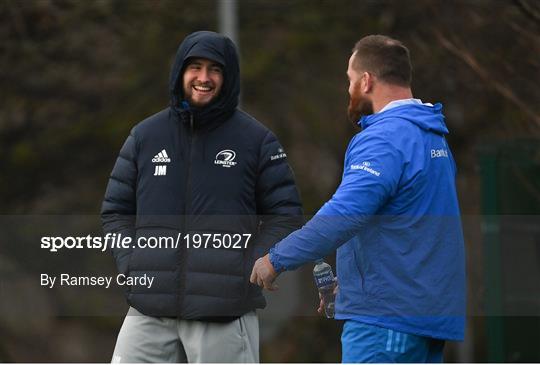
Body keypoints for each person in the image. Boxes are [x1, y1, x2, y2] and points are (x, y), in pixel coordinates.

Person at [250, 34, 466, 363]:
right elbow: (412, 230)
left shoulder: (384, 139)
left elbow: (345, 214)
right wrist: (352, 286)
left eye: (350, 80)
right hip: (423, 318)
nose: (348, 89)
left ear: (366, 81)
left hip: (386, 322)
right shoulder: (430, 135)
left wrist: (276, 259)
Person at [101, 31, 303, 363]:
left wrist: (250, 266)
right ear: (180, 72)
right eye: (195, 67)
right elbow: (115, 211)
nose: (204, 78)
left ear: (228, 77)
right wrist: (131, 263)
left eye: (215, 69)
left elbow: (286, 214)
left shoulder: (257, 141)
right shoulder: (144, 136)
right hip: (148, 311)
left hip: (222, 313)